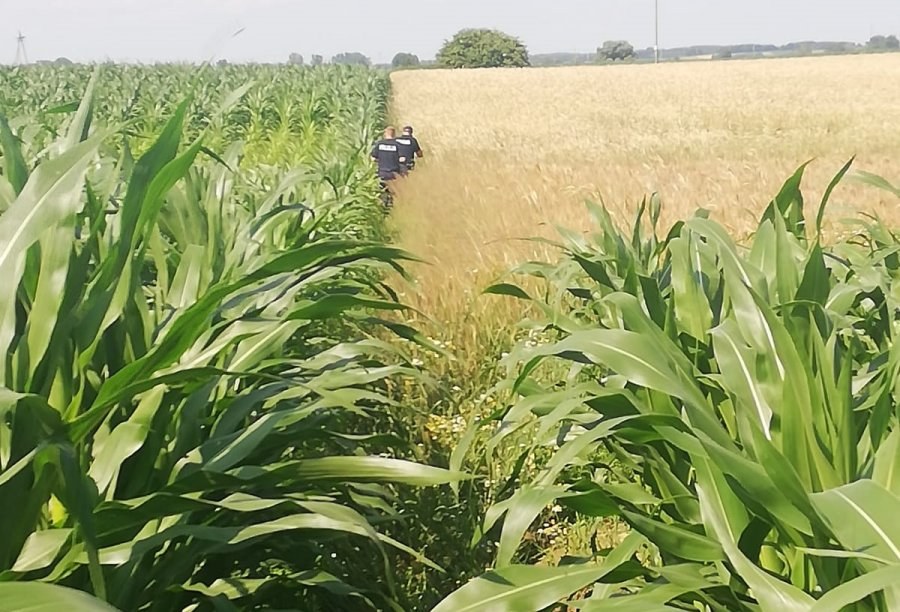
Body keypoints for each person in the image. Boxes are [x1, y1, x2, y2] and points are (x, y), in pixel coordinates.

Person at [370, 127, 402, 207]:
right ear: (394, 134)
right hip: (394, 173)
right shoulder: (397, 145)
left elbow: (373, 158)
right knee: (393, 193)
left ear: (385, 134)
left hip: (382, 172)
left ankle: (383, 206)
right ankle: (391, 207)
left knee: (382, 191)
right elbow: (402, 158)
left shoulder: (379, 144)